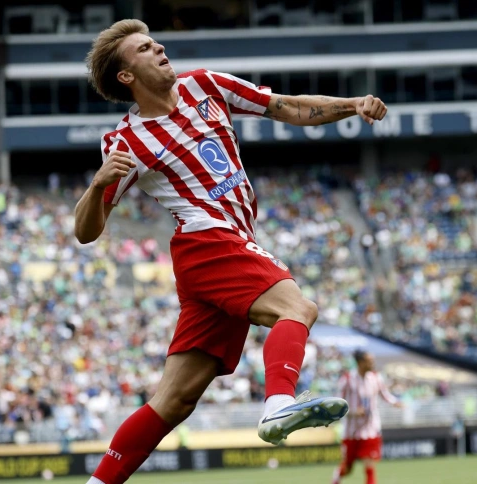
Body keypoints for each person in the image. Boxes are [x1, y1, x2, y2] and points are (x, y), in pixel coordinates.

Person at [74, 19, 388, 484]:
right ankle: (278, 404)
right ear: (127, 76)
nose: (159, 48)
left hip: (221, 250)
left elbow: (288, 106)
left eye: (155, 42)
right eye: (144, 48)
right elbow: (86, 232)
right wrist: (96, 185)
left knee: (175, 400)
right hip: (208, 241)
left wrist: (352, 104)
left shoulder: (206, 85)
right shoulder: (127, 142)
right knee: (298, 308)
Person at [332, 350, 403, 484]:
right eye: (369, 361)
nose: (372, 363)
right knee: (348, 468)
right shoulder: (347, 379)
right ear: (360, 363)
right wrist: (353, 412)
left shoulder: (376, 377)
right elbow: (337, 404)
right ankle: (337, 477)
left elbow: (385, 395)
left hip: (371, 428)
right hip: (351, 431)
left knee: (369, 464)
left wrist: (396, 402)